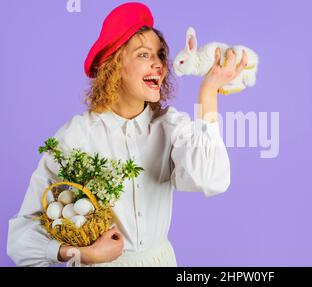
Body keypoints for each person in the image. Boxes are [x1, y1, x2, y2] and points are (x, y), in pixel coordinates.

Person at [7, 2, 247, 267]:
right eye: (144, 55)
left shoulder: (171, 126)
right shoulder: (75, 137)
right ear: (114, 64)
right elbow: (20, 238)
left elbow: (212, 179)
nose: (160, 65)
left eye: (161, 54)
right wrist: (78, 254)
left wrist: (208, 92)